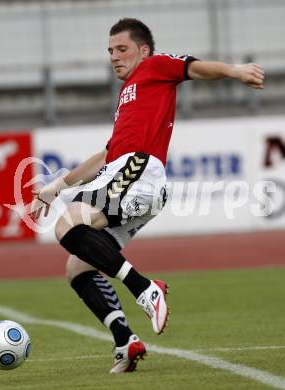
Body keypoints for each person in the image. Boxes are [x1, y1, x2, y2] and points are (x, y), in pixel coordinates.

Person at [31, 18, 265, 373]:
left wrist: (235, 71)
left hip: (138, 170)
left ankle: (145, 288)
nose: (114, 56)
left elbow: (193, 68)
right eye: (110, 51)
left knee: (67, 225)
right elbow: (104, 158)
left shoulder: (155, 66)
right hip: (129, 175)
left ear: (143, 50)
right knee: (77, 268)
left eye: (121, 49)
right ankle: (126, 341)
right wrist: (55, 187)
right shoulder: (128, 98)